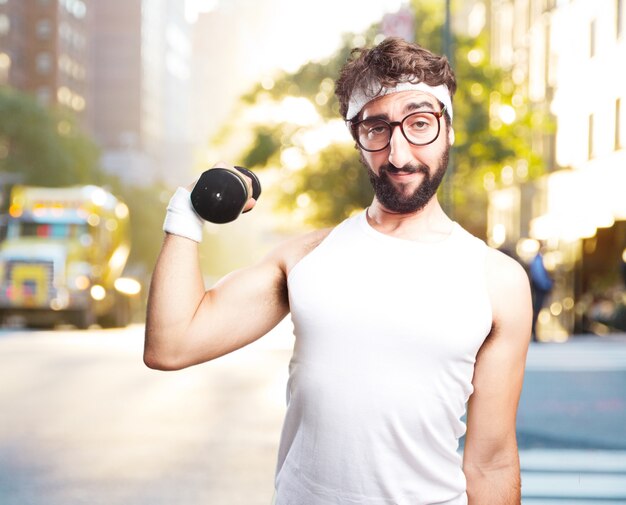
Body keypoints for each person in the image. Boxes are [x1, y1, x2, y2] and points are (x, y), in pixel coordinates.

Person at [145, 37, 532, 505]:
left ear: (448, 130)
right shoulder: (306, 259)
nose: (400, 153)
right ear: (357, 139)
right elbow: (171, 344)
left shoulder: (498, 281)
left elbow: (491, 461)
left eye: (420, 124)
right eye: (377, 129)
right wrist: (186, 210)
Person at [528, 247, 553, 341]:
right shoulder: (538, 260)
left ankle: (534, 333)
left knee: (536, 311)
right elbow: (539, 276)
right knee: (536, 311)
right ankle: (533, 333)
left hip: (539, 288)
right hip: (539, 289)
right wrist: (547, 285)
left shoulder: (538, 260)